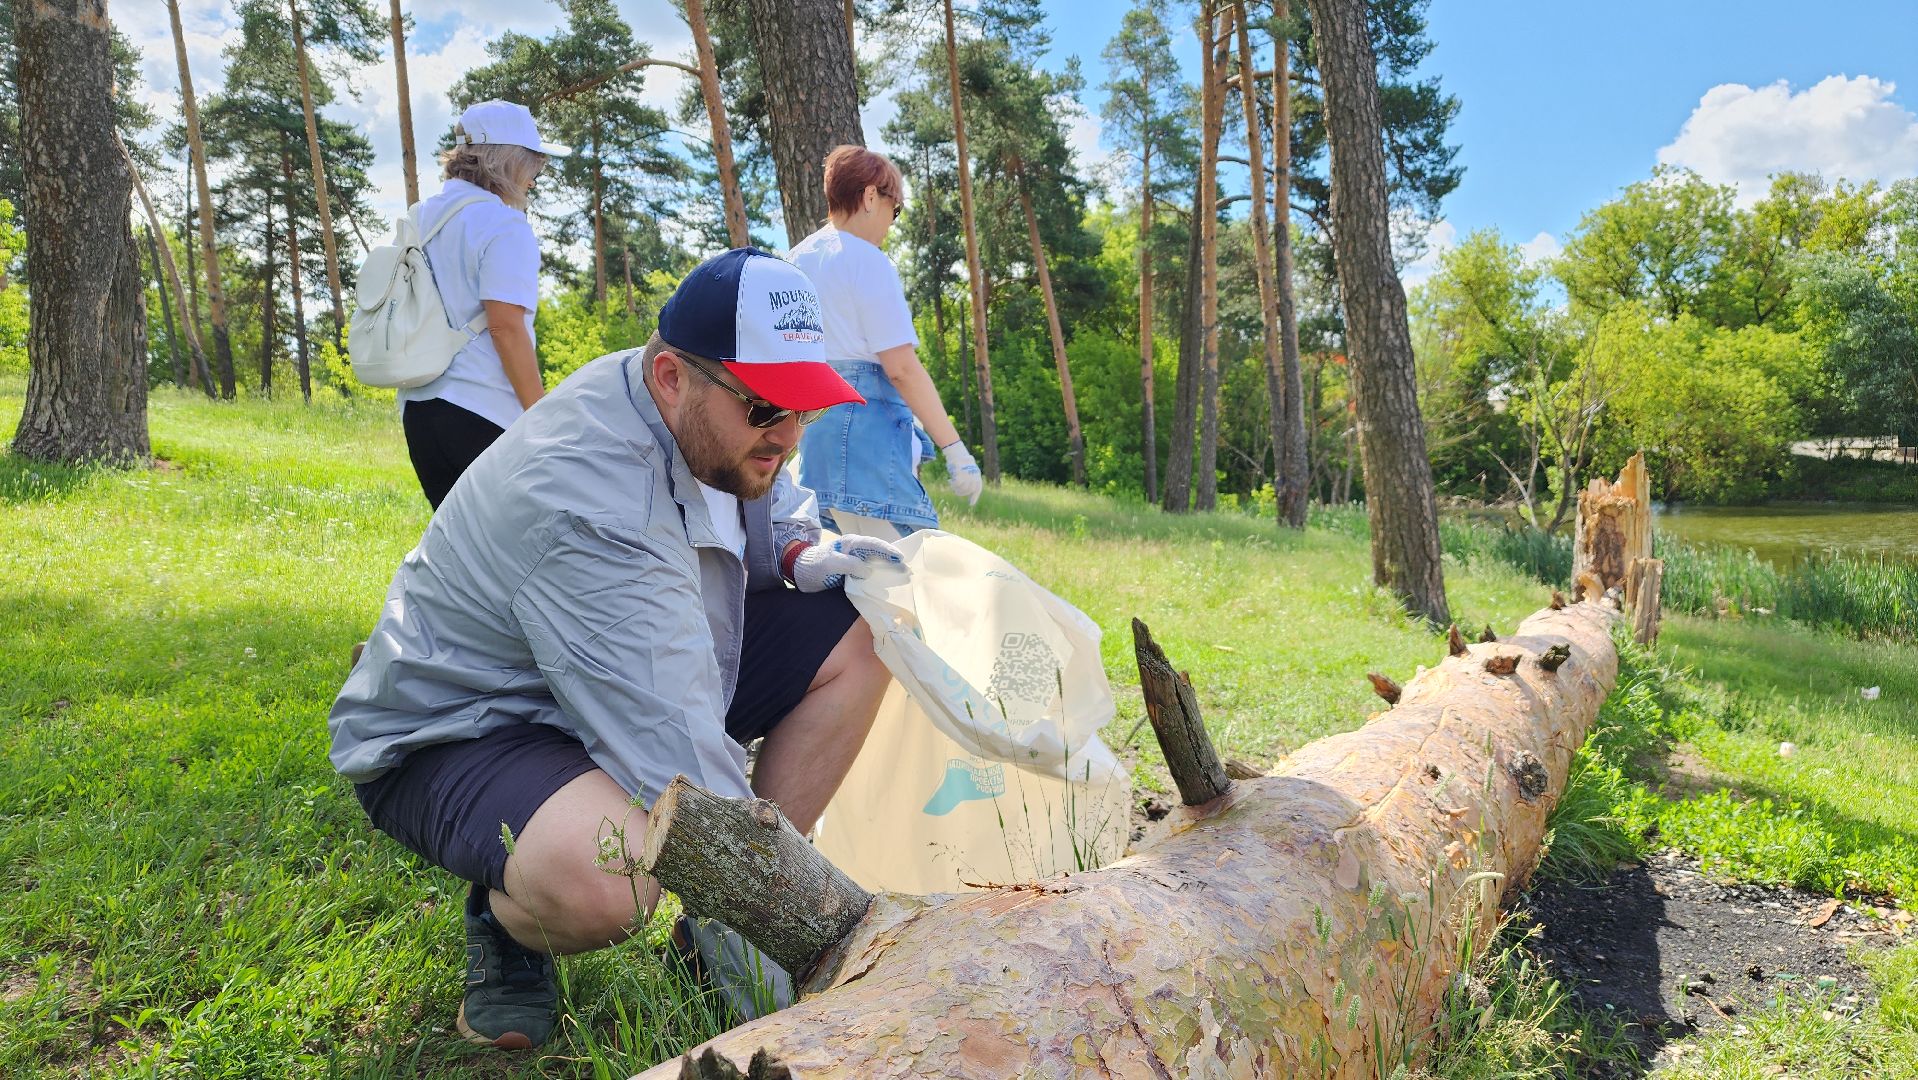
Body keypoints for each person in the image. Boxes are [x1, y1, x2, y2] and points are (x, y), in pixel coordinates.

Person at [329, 248, 906, 1049]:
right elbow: (685, 767)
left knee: (865, 636)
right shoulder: (590, 499)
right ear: (672, 376)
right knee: (614, 874)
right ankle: (510, 924)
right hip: (465, 727)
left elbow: (771, 496)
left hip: (614, 667)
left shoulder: (693, 404)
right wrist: (807, 991)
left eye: (807, 409)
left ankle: (720, 937)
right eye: (769, 407)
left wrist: (800, 551)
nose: (788, 435)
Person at [789, 145, 983, 539]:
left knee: (846, 581)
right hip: (867, 445)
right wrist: (955, 450)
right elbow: (901, 368)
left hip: (814, 446)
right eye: (895, 210)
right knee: (910, 575)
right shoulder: (868, 260)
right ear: (871, 196)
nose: (891, 224)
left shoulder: (795, 259)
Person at [398, 100, 567, 509]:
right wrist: (539, 415)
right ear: (508, 160)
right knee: (510, 558)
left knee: (458, 552)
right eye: (534, 163)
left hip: (418, 409)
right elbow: (505, 327)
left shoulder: (420, 217)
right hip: (483, 412)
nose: (534, 177)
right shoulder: (504, 225)